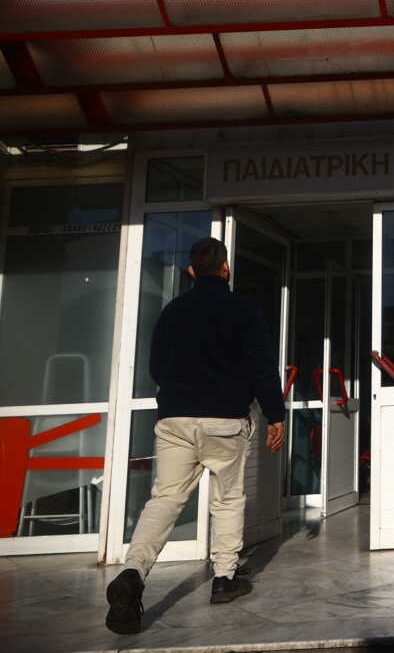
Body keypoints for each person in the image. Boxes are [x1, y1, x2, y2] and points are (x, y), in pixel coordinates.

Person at [105, 237, 286, 635]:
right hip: (225, 420)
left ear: (191, 271)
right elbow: (261, 367)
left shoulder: (172, 311)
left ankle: (133, 572)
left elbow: (156, 367)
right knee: (228, 498)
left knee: (165, 499)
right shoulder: (244, 311)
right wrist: (275, 415)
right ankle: (224, 578)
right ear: (226, 268)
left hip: (176, 418)